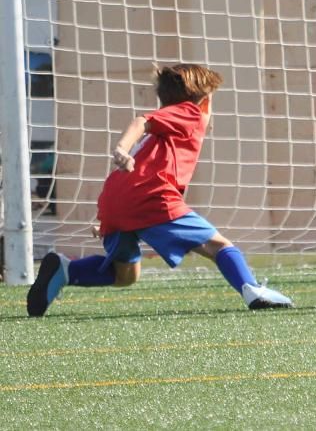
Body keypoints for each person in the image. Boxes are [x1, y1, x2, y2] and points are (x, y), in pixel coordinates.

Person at [27, 64, 293, 317]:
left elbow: (128, 175)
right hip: (150, 198)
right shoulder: (190, 113)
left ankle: (64, 270)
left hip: (116, 201)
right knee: (217, 245)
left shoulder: (162, 135)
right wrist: (120, 148)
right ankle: (253, 291)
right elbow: (142, 120)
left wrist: (105, 216)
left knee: (126, 275)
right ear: (205, 102)